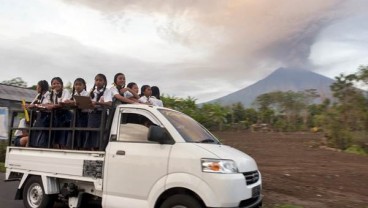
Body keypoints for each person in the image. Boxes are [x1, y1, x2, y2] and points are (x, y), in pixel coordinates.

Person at [85, 74, 112, 150]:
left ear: (104, 82)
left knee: (99, 134)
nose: (98, 82)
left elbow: (109, 103)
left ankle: (98, 149)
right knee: (91, 133)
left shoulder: (107, 91)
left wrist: (97, 103)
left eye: (100, 80)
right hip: (91, 115)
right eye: (96, 80)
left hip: (101, 115)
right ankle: (92, 149)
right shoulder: (92, 91)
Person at [66, 78, 89, 149]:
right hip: (75, 115)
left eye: (80, 85)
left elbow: (82, 103)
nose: (78, 86)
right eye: (76, 85)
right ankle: (74, 147)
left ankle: (81, 147)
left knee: (81, 132)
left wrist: (73, 102)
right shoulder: (73, 94)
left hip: (84, 115)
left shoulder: (87, 94)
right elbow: (69, 102)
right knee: (73, 132)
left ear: (84, 86)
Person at [27, 80, 51, 148]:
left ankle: (38, 144)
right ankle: (33, 144)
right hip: (39, 116)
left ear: (41, 87)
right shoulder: (39, 95)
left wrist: (35, 105)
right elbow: (32, 104)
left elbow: (46, 105)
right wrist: (28, 106)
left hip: (46, 116)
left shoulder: (49, 95)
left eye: (37, 87)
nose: (36, 88)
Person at [49, 77, 72, 149]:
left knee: (63, 138)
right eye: (54, 84)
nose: (56, 85)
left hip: (65, 116)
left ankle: (65, 150)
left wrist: (53, 105)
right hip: (56, 116)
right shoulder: (52, 93)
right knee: (56, 138)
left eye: (58, 83)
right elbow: (50, 103)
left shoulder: (65, 91)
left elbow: (63, 103)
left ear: (61, 84)